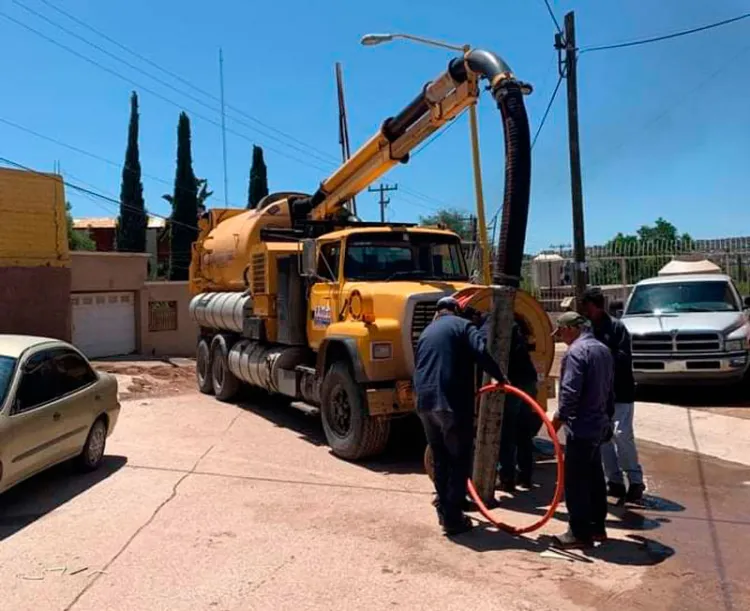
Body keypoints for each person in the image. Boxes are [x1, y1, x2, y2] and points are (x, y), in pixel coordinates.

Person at [414, 296, 507, 536]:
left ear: (438, 311)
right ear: (457, 310)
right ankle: (453, 518)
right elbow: (480, 351)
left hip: (425, 403)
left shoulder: (426, 332)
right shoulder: (463, 325)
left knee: (440, 457)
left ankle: (446, 507)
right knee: (458, 458)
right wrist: (499, 376)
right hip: (450, 403)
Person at [551, 311, 614, 549]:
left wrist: (558, 419)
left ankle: (579, 532)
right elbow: (609, 389)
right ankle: (598, 527)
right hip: (598, 424)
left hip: (582, 426)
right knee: (595, 476)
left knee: (576, 480)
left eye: (562, 334)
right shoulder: (602, 349)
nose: (562, 339)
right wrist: (608, 418)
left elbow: (570, 392)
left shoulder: (576, 352)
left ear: (570, 329)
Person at [580, 287, 646, 502]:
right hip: (599, 393)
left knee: (621, 434)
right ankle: (615, 481)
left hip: (621, 391)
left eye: (586, 307)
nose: (584, 311)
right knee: (603, 437)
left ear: (595, 306)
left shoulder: (617, 328)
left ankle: (635, 481)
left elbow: (624, 357)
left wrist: (600, 352)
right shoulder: (587, 329)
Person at [490, 319, 540, 492]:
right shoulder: (515, 328)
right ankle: (525, 477)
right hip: (528, 381)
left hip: (514, 383)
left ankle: (506, 478)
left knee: (507, 431)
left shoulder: (492, 324)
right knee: (524, 431)